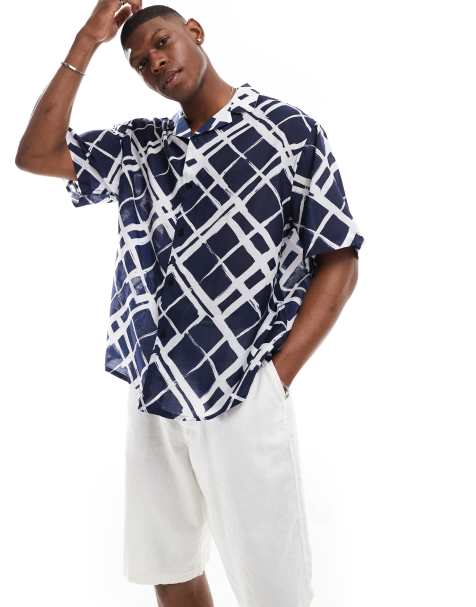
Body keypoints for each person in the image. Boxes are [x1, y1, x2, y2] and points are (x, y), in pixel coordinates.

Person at [15, 2, 365, 606]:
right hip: (154, 387)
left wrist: (276, 378)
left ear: (194, 33)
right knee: (170, 568)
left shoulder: (286, 131)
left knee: (275, 590)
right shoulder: (141, 147)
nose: (153, 62)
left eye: (161, 43)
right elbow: (36, 153)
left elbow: (339, 258)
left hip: (242, 388)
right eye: (138, 62)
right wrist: (88, 39)